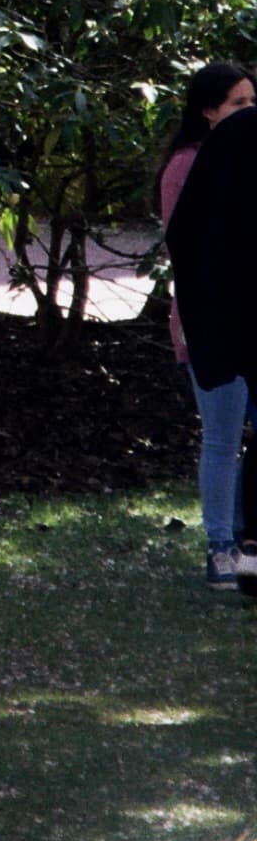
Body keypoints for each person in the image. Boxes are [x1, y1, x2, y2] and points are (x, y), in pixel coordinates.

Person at [160, 60, 257, 592]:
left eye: (253, 101)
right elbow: (192, 253)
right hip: (211, 324)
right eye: (238, 104)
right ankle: (220, 546)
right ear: (208, 111)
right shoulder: (187, 165)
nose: (250, 113)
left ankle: (247, 542)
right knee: (223, 438)